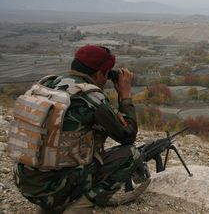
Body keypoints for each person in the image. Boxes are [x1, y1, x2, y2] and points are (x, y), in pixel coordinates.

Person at [13, 45, 148, 213]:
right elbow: (128, 136)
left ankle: (52, 205)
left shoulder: (48, 84)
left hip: (26, 183)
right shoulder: (91, 98)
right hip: (56, 188)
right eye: (106, 74)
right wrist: (125, 96)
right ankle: (79, 208)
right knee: (132, 154)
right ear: (99, 73)